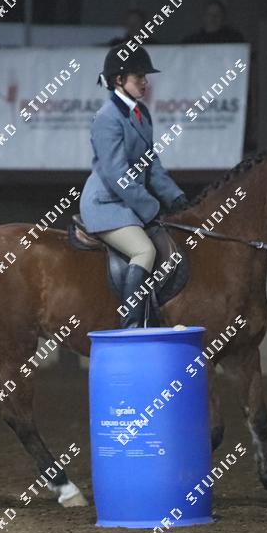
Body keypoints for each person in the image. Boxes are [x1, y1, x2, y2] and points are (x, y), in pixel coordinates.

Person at [79, 44, 189, 329]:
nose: (145, 82)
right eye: (139, 76)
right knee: (144, 251)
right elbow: (117, 174)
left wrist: (175, 196)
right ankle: (130, 326)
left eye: (145, 76)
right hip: (106, 205)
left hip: (128, 204)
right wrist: (151, 207)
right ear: (119, 80)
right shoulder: (107, 117)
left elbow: (151, 164)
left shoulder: (141, 113)